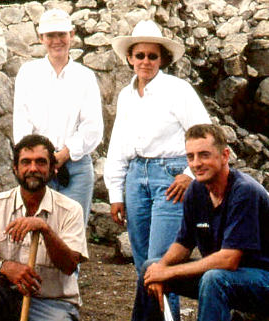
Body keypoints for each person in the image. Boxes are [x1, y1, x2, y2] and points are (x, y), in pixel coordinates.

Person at [104, 20, 211, 320]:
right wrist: (115, 192)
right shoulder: (126, 96)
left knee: (162, 265)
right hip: (136, 177)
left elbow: (205, 132)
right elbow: (118, 144)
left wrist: (189, 176)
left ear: (162, 59)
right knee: (143, 268)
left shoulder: (178, 90)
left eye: (152, 56)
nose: (146, 62)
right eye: (140, 56)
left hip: (171, 177)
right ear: (130, 58)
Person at [132, 124, 269, 321]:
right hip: (229, 276)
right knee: (149, 268)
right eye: (190, 156)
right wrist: (159, 269)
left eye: (204, 155)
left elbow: (228, 260)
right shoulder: (196, 190)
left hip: (262, 278)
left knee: (214, 279)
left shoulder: (245, 192)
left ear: (224, 155)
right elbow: (183, 244)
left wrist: (169, 272)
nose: (196, 163)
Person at [0, 134, 88, 321]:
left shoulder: (71, 210)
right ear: (15, 169)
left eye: (41, 162)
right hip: (5, 298)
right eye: (26, 162)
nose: (33, 168)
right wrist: (6, 267)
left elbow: (69, 265)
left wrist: (45, 230)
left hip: (52, 303)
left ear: (52, 169)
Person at [13, 8, 103, 224]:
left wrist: (63, 155)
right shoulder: (28, 73)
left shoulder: (85, 77)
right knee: (35, 230)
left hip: (75, 166)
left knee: (72, 235)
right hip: (37, 165)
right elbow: (21, 122)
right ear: (41, 38)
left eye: (61, 34)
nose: (56, 41)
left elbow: (92, 126)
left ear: (71, 35)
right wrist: (41, 158)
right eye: (50, 35)